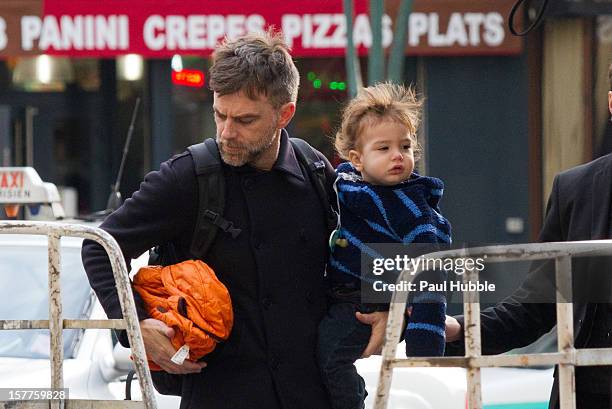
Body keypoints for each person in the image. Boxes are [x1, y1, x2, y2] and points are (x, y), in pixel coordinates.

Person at [81, 31, 388, 409]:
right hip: (220, 394)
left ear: (284, 114)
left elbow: (366, 241)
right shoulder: (186, 178)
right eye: (219, 115)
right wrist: (136, 325)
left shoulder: (316, 171)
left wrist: (384, 306)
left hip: (312, 393)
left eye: (245, 120)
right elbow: (99, 247)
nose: (227, 132)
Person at [444, 64, 612, 409]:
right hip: (585, 395)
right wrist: (454, 329)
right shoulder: (577, 189)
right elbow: (535, 308)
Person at [317, 83, 451, 409]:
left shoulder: (410, 205)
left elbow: (430, 268)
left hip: (366, 305)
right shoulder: (345, 185)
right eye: (383, 148)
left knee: (330, 356)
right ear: (356, 159)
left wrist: (424, 337)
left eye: (405, 147)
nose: (397, 156)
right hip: (339, 295)